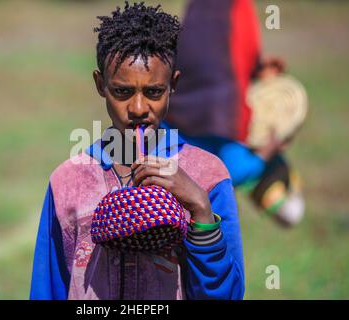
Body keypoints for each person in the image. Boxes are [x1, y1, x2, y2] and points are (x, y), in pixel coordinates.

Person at [30, 2, 244, 300]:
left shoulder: (208, 176)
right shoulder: (68, 181)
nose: (139, 108)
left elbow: (227, 296)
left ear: (174, 84)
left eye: (154, 92)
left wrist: (199, 208)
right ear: (100, 84)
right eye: (122, 91)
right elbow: (47, 289)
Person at [163, 0, 304, 227]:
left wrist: (258, 68)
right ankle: (278, 197)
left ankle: (278, 196)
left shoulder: (202, 9)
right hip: (223, 122)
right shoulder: (235, 7)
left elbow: (224, 50)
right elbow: (226, 176)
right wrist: (269, 149)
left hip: (189, 111)